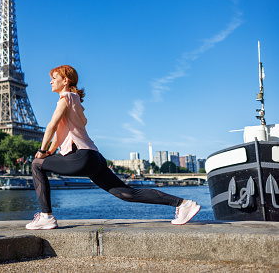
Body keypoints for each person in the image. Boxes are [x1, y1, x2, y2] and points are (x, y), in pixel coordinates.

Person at [26, 65, 200, 230]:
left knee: (36, 164)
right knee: (128, 194)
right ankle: (183, 204)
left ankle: (46, 216)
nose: (50, 82)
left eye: (54, 78)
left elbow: (51, 125)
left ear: (65, 80)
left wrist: (41, 152)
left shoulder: (66, 98)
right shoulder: (76, 102)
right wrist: (50, 151)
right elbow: (60, 132)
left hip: (82, 156)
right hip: (95, 158)